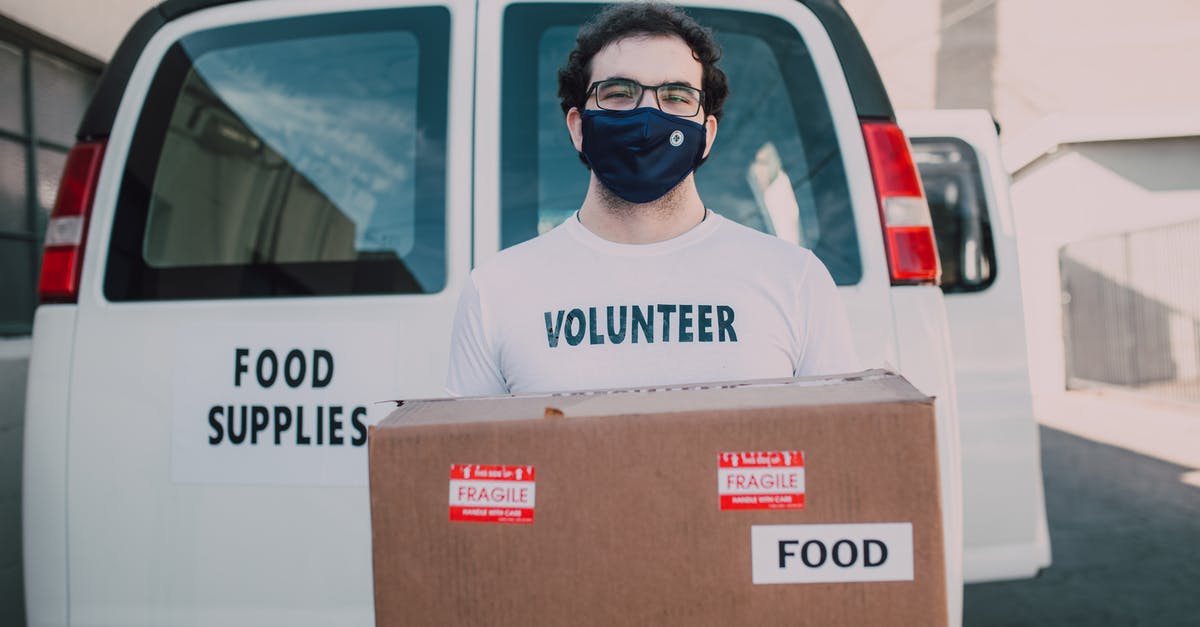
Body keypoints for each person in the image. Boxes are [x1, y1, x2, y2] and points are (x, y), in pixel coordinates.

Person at [445, 1, 860, 396]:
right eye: (618, 93)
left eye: (676, 97)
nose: (647, 117)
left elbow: (836, 450)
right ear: (578, 127)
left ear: (708, 135)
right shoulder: (496, 292)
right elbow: (472, 460)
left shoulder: (795, 281)